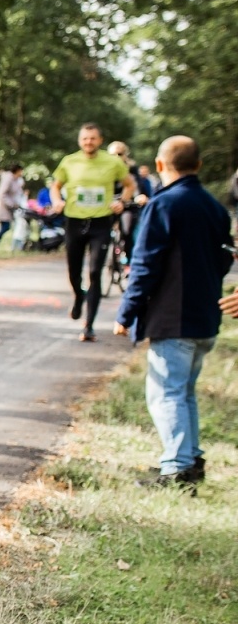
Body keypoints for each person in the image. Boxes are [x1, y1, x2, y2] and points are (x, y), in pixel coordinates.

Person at [115, 136, 233, 490]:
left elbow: (145, 264)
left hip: (174, 316)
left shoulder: (164, 205)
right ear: (197, 165)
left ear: (162, 165)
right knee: (185, 392)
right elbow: (226, 257)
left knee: (165, 393)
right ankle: (191, 459)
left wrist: (126, 312)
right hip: (206, 316)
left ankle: (177, 469)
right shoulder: (215, 207)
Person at [52, 124, 134, 341]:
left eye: (93, 138)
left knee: (95, 272)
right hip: (74, 221)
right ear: (80, 140)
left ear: (100, 140)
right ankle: (79, 296)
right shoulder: (69, 161)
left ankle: (89, 325)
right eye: (85, 138)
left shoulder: (112, 162)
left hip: (100, 222)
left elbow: (129, 185)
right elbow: (55, 186)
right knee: (73, 271)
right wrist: (57, 200)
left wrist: (122, 202)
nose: (89, 142)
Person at [0, 163, 25, 250]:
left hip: (7, 207)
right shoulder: (8, 178)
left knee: (6, 226)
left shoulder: (15, 179)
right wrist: (11, 204)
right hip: (3, 207)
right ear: (17, 170)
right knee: (6, 226)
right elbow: (2, 194)